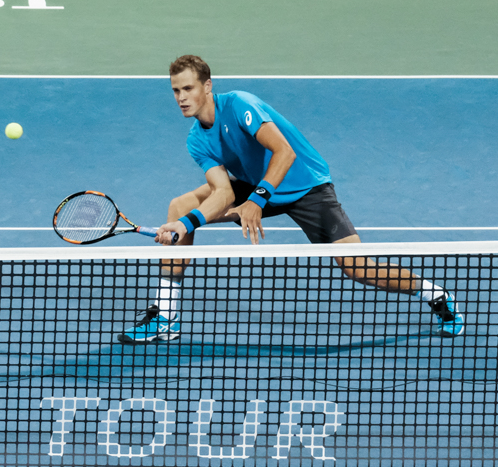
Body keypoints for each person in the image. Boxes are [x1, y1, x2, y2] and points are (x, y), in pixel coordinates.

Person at [119, 54, 465, 342]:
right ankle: (165, 316)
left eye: (188, 88)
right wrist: (184, 224)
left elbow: (284, 152)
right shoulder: (197, 140)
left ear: (207, 87)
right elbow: (223, 193)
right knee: (181, 206)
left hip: (305, 187)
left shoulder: (240, 105)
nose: (181, 97)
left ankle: (437, 295)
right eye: (176, 90)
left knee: (358, 268)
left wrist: (256, 200)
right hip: (257, 185)